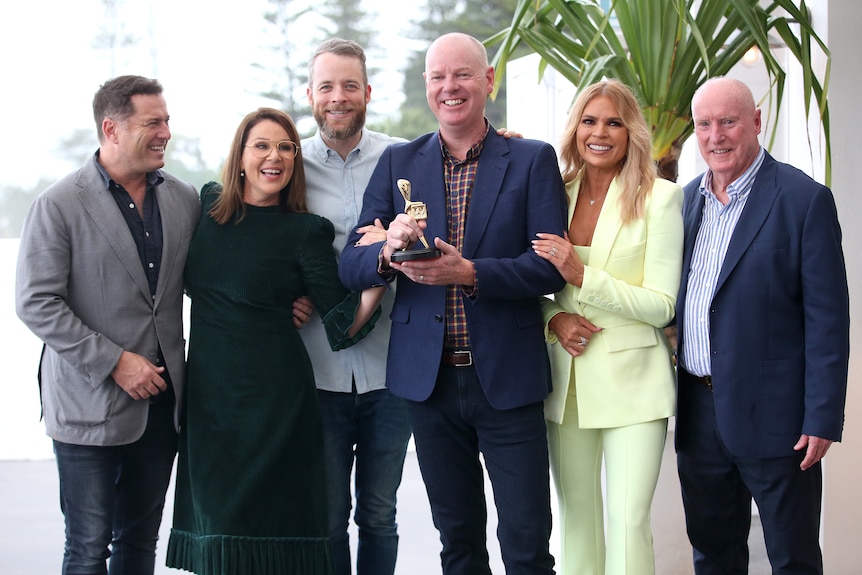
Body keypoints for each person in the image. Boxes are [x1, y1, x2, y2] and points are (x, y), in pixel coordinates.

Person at [338, 32, 567, 575]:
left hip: (507, 380)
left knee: (527, 544)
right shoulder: (399, 162)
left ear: (488, 81)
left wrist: (469, 273)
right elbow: (351, 263)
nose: (450, 87)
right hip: (429, 384)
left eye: (462, 74)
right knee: (458, 545)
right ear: (426, 86)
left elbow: (547, 267)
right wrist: (389, 250)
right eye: (438, 77)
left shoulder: (532, 159)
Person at [165, 108, 384, 575]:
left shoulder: (304, 231)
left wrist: (381, 273)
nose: (275, 156)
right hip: (209, 408)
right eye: (262, 145)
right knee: (216, 540)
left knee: (273, 546)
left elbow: (344, 321)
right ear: (240, 156)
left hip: (276, 409)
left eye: (286, 147)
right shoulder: (206, 206)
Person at [15, 75, 199, 575]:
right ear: (111, 128)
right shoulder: (58, 204)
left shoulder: (184, 199)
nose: (165, 132)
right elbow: (36, 302)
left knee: (140, 545)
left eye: (167, 120)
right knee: (88, 548)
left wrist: (286, 301)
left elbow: (212, 280)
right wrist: (116, 362)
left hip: (162, 406)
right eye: (152, 122)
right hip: (86, 408)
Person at [674, 77, 849, 574]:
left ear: (755, 121)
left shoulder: (803, 200)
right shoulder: (683, 204)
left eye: (728, 121)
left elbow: (828, 321)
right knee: (712, 555)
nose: (716, 136)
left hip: (779, 419)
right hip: (699, 413)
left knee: (792, 558)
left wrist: (822, 416)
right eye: (704, 124)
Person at [531, 80, 683, 575]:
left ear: (631, 131)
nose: (600, 132)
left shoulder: (660, 199)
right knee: (575, 518)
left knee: (627, 521)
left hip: (635, 388)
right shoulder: (554, 192)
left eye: (614, 122)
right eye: (590, 121)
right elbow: (527, 283)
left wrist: (582, 276)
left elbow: (662, 306)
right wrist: (556, 317)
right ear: (575, 128)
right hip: (567, 385)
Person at [297, 38, 412, 575]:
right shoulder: (285, 164)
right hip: (314, 371)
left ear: (366, 92)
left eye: (349, 86)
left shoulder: (406, 157)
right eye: (327, 87)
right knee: (324, 516)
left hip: (392, 371)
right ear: (310, 95)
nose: (338, 97)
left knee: (380, 513)